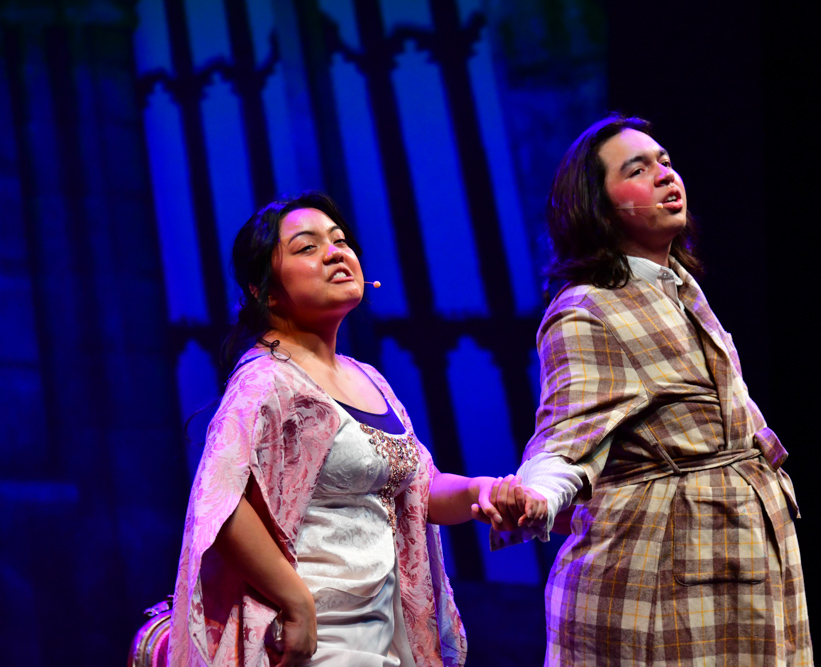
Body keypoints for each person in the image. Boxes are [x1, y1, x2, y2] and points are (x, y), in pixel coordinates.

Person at [169, 192, 545, 667]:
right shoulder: (266, 379)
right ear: (264, 291)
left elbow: (420, 488)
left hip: (382, 632)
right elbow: (219, 501)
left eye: (340, 240)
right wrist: (296, 601)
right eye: (307, 247)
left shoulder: (368, 378)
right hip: (314, 638)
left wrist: (480, 490)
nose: (334, 253)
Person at [493, 115, 813, 665]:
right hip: (662, 568)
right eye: (637, 170)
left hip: (735, 546)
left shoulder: (680, 288)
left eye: (665, 161)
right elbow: (565, 439)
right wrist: (536, 496)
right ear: (599, 206)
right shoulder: (586, 310)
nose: (666, 175)